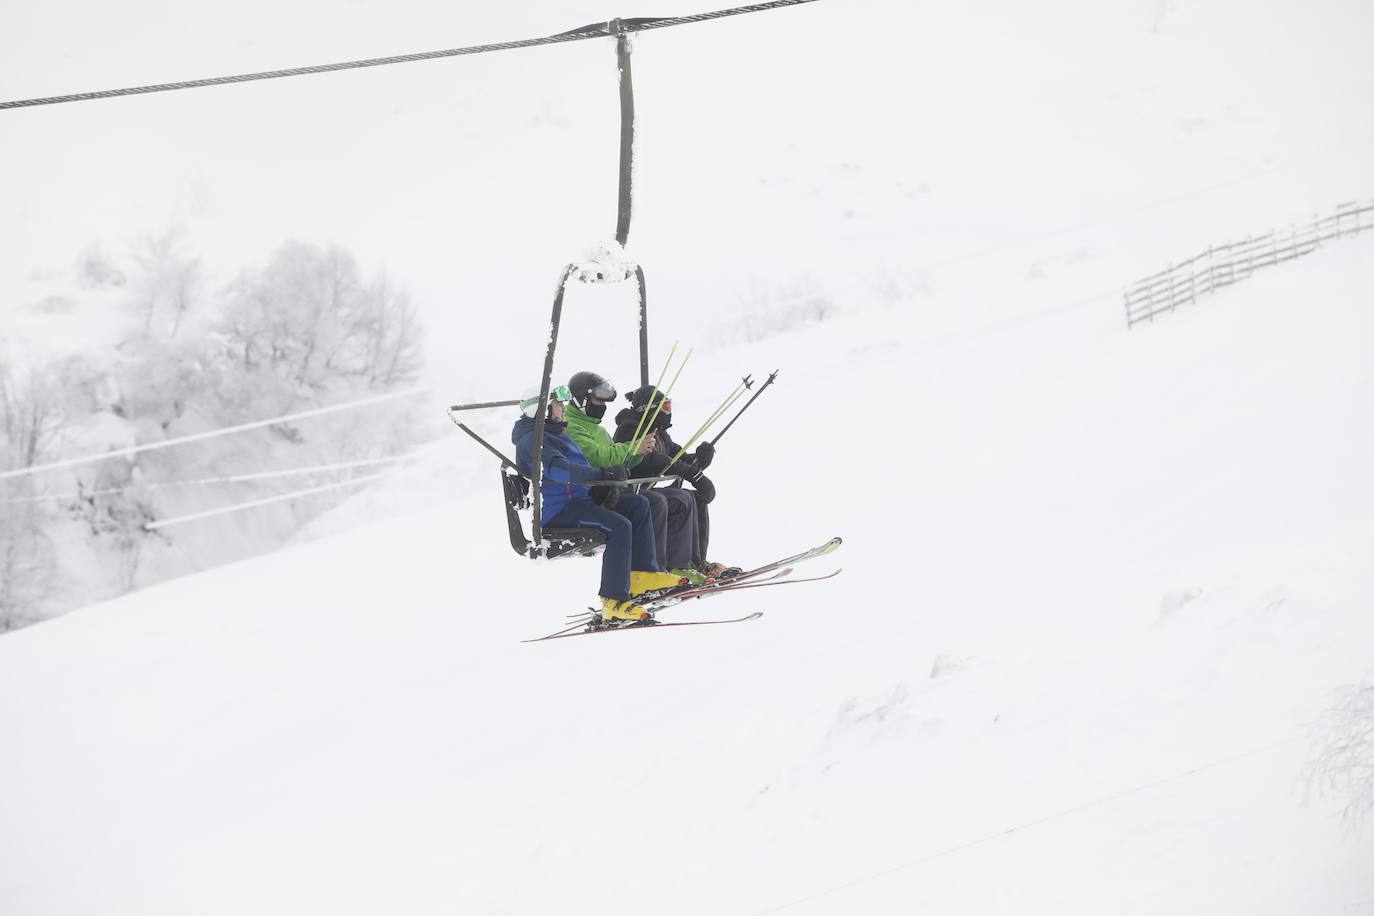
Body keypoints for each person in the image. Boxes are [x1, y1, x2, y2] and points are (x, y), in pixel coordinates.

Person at [510, 384, 683, 621]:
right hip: (559, 512)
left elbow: (579, 470)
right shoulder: (533, 441)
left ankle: (642, 574)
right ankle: (613, 601)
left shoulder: (556, 434)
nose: (563, 409)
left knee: (637, 505)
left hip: (578, 502)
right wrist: (603, 476)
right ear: (541, 411)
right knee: (618, 526)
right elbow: (560, 471)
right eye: (557, 405)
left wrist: (599, 490)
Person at [563, 371, 706, 584]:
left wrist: (641, 455)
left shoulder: (597, 429)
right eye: (598, 399)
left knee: (683, 499)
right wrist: (635, 449)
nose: (602, 404)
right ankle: (652, 572)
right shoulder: (572, 427)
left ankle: (680, 566)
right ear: (581, 400)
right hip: (595, 495)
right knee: (655, 502)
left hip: (612, 490)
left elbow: (620, 461)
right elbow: (598, 457)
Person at [613, 384, 738, 578]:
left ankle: (696, 563)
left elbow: (677, 458)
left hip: (646, 491)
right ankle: (674, 566)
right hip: (631, 493)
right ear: (647, 409)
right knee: (681, 499)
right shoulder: (630, 428)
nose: (668, 412)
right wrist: (691, 474)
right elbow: (653, 461)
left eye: (669, 406)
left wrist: (698, 460)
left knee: (695, 498)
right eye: (665, 407)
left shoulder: (659, 432)